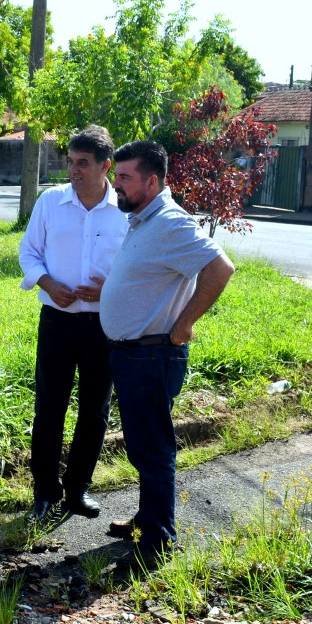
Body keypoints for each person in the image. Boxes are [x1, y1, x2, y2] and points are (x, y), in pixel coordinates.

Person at [100, 140, 235, 572]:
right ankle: (148, 519)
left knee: (153, 448)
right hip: (134, 355)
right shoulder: (143, 220)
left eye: (123, 177)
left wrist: (183, 324)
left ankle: (158, 541)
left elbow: (220, 269)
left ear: (151, 181)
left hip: (153, 354)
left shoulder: (171, 222)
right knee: (143, 443)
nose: (114, 184)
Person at [18, 125, 129, 522]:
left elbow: (134, 268)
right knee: (49, 407)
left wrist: (110, 291)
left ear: (105, 166)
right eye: (71, 161)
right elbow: (28, 252)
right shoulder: (51, 202)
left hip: (105, 326)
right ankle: (44, 491)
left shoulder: (124, 210)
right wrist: (47, 282)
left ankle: (78, 489)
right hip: (58, 322)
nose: (74, 170)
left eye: (83, 163)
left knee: (95, 410)